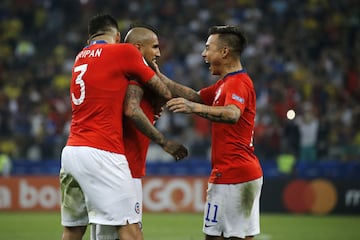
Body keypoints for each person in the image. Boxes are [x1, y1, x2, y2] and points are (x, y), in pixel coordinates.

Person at [60, 14, 175, 240]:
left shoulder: (80, 57)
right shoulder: (123, 51)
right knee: (130, 229)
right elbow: (164, 91)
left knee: (73, 231)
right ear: (118, 36)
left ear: (90, 38)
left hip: (71, 152)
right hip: (102, 151)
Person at [164, 25, 263, 240]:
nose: (203, 54)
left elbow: (232, 113)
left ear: (224, 52)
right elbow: (193, 96)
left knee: (224, 237)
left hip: (235, 175)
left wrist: (193, 109)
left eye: (208, 48)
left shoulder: (237, 83)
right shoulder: (224, 84)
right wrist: (153, 74)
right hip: (232, 174)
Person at [90, 24, 188, 240]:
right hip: (123, 168)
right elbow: (133, 109)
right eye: (154, 47)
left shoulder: (128, 76)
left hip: (117, 165)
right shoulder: (134, 79)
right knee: (126, 233)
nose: (159, 53)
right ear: (137, 48)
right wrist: (164, 142)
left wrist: (205, 101)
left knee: (105, 232)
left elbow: (166, 88)